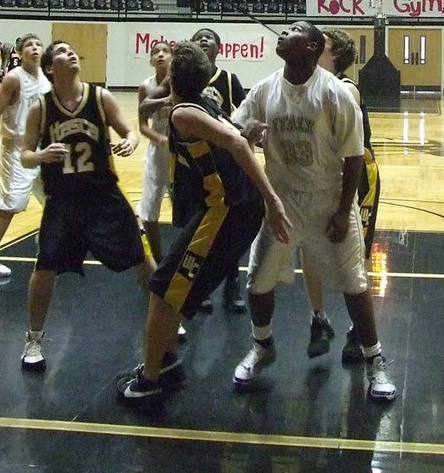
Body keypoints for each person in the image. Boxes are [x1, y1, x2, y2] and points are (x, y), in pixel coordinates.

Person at [117, 41, 292, 407]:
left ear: (171, 76)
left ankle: (149, 380)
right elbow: (233, 136)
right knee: (173, 289)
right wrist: (249, 135)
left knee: (163, 288)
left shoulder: (184, 114)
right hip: (230, 207)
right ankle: (162, 363)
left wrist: (273, 201)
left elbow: (233, 142)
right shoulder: (204, 101)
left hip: (227, 210)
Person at [230, 21, 396, 402]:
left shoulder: (335, 93)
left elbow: (354, 157)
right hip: (283, 202)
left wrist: (341, 212)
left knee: (354, 284)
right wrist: (247, 133)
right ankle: (263, 346)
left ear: (313, 47)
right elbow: (237, 129)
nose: (284, 33)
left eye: (293, 31)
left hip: (328, 200)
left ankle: (375, 361)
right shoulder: (265, 88)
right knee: (257, 281)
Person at [18, 40, 151, 371]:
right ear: (51, 68)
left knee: (140, 258)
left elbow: (131, 132)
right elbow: (24, 154)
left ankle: (165, 317)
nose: (71, 53)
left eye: (72, 50)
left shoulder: (100, 97)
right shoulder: (41, 108)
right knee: (44, 268)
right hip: (63, 200)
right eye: (62, 52)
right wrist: (42, 155)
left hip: (104, 196)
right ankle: (34, 338)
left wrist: (128, 143)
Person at [302, 28, 382, 361]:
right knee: (309, 246)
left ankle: (357, 329)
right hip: (320, 177)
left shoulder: (345, 88)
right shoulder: (306, 86)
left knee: (356, 254)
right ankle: (318, 317)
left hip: (358, 175)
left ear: (333, 55)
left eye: (322, 47)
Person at [0, 34, 51, 278]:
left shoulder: (46, 79)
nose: (35, 48)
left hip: (41, 149)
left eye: (38, 44)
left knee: (55, 199)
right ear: (19, 52)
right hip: (16, 149)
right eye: (30, 45)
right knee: (10, 206)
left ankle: (48, 241)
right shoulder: (13, 78)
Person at [193, 28, 249, 313]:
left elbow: (243, 115)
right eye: (198, 37)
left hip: (224, 162)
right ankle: (199, 285)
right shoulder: (183, 78)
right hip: (195, 163)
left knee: (230, 226)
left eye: (209, 38)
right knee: (199, 228)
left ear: (219, 47)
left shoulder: (228, 80)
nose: (204, 40)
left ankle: (231, 283)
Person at [136, 39, 174, 264]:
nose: (160, 54)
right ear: (151, 60)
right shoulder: (146, 87)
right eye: (156, 52)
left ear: (172, 57)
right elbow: (141, 125)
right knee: (150, 208)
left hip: (181, 152)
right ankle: (158, 258)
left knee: (184, 207)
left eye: (165, 51)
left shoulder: (181, 82)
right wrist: (160, 138)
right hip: (157, 151)